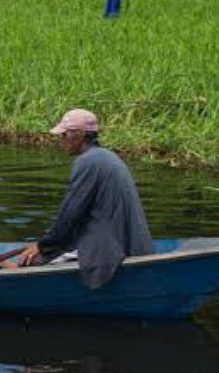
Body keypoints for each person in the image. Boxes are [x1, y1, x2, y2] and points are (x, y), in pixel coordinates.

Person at [11, 109, 153, 289]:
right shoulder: (106, 156)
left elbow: (70, 214)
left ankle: (19, 271)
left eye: (64, 135)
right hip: (126, 240)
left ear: (80, 135)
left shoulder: (87, 162)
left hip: (109, 246)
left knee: (33, 261)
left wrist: (43, 246)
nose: (61, 140)